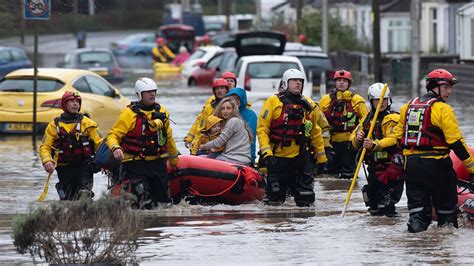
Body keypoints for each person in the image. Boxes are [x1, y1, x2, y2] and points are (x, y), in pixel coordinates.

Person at [391, 69, 474, 232]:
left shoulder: (407, 107)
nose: (449, 91)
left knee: (417, 214)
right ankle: (441, 252)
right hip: (437, 167)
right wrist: (471, 167)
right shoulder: (443, 109)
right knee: (447, 216)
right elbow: (456, 142)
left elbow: (397, 138)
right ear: (435, 86)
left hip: (413, 168)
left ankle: (417, 251)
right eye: (447, 87)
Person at [257, 69, 327, 207]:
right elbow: (262, 129)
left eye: (300, 81)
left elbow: (315, 132)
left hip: (300, 156)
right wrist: (267, 154)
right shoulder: (273, 101)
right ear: (285, 83)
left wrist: (322, 158)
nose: (298, 83)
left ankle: (304, 227)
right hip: (277, 156)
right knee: (274, 199)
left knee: (305, 198)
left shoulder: (308, 105)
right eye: (294, 80)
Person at [106, 77, 179, 209]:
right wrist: (115, 148)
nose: (152, 94)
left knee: (163, 203)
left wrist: (174, 161)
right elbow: (113, 135)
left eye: (154, 91)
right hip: (135, 164)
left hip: (157, 163)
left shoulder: (162, 112)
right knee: (142, 202)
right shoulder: (129, 114)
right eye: (148, 92)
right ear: (140, 94)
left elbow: (168, 137)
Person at [351, 83, 404, 217]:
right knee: (373, 206)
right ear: (371, 101)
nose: (381, 103)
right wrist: (358, 138)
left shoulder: (394, 118)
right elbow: (353, 139)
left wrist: (375, 144)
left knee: (386, 206)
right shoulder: (367, 119)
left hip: (390, 168)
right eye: (377, 100)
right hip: (374, 168)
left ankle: (389, 230)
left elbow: (393, 138)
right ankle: (376, 232)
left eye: (384, 99)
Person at [40, 91, 102, 200]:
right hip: (64, 168)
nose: (75, 104)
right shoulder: (53, 126)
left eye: (77, 101)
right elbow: (45, 147)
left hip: (85, 167)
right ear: (64, 104)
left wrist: (104, 163)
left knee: (84, 195)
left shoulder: (89, 124)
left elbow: (100, 145)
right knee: (67, 198)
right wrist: (47, 161)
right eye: (71, 101)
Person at [319, 69, 368, 179]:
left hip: (349, 144)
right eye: (339, 80)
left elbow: (366, 121)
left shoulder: (357, 101)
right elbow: (317, 121)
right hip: (331, 144)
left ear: (349, 83)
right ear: (335, 82)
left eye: (344, 81)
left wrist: (356, 139)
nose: (341, 83)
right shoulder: (325, 100)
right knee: (329, 175)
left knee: (349, 176)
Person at [200, 97, 252, 165]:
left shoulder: (233, 121)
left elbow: (219, 142)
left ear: (233, 110)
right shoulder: (237, 121)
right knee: (202, 157)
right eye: (223, 108)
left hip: (234, 159)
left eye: (228, 108)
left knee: (202, 159)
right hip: (236, 158)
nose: (225, 111)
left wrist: (203, 146)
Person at [184, 78, 230, 150]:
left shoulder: (229, 107)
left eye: (222, 88)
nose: (219, 90)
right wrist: (189, 138)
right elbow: (199, 123)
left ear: (227, 90)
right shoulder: (209, 107)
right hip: (204, 143)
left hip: (220, 145)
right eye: (217, 89)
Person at [225, 87, 258, 165]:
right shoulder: (225, 112)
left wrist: (251, 157)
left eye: (237, 99)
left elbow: (250, 138)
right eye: (232, 99)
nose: (234, 101)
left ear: (242, 99)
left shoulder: (250, 115)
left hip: (243, 154)